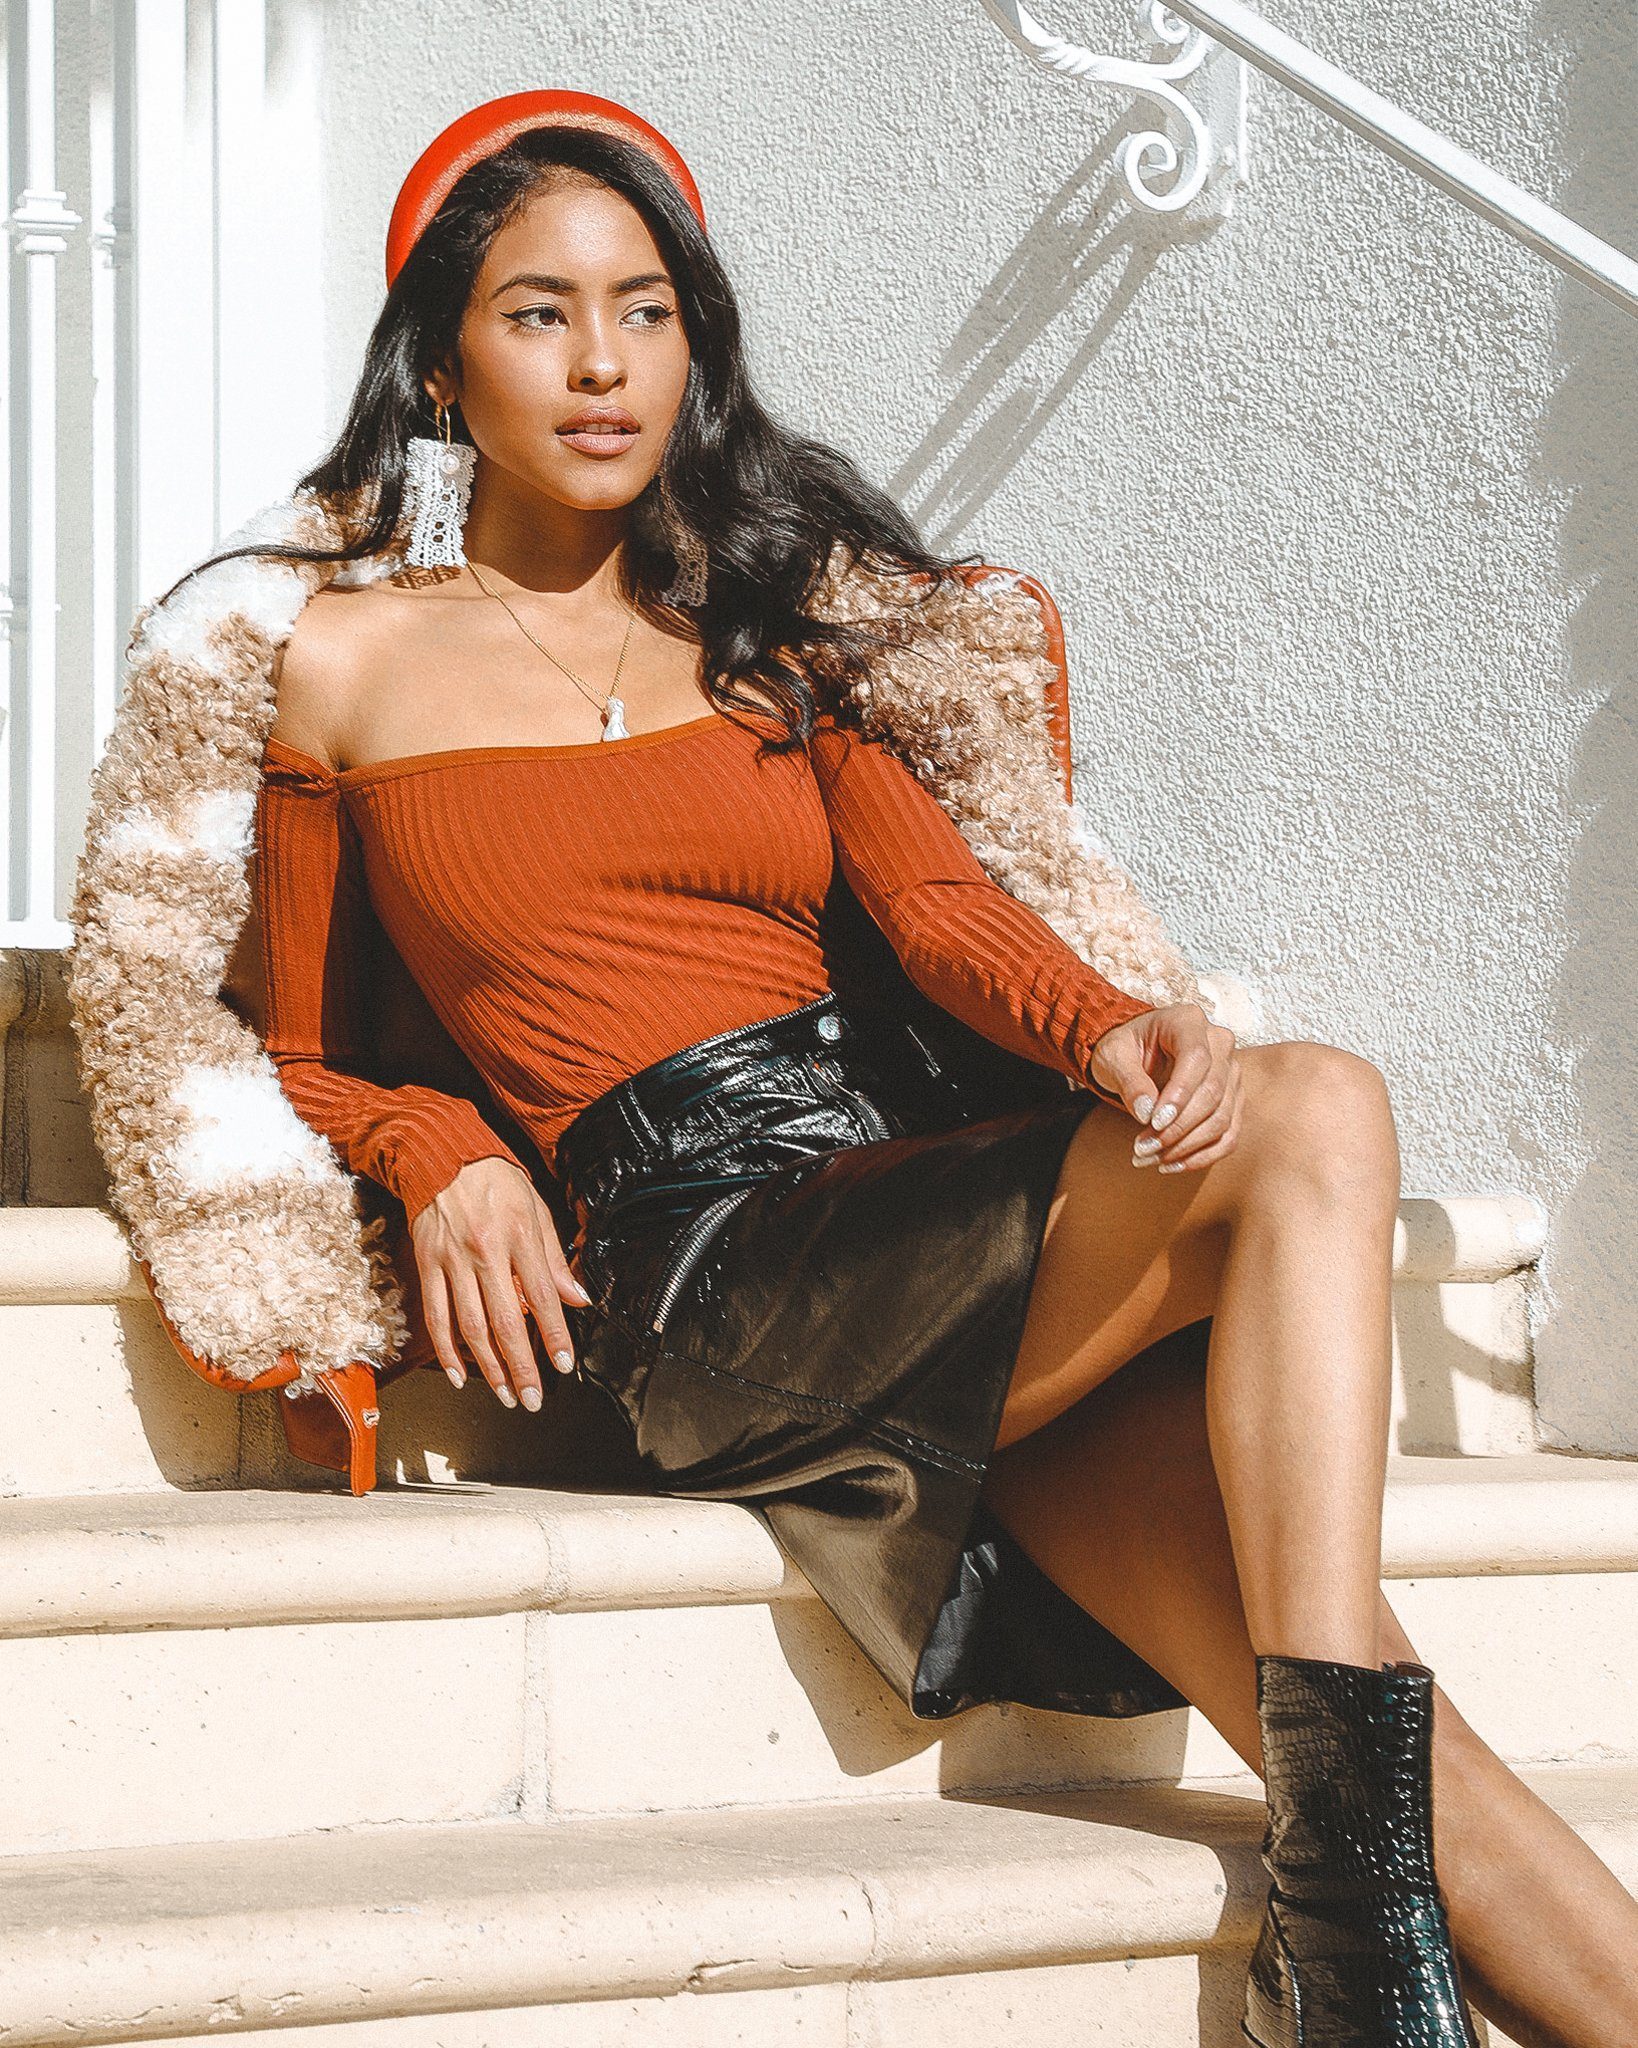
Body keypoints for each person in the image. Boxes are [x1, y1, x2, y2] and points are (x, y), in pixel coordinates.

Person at [151, 91, 1638, 2048]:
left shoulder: (769, 630)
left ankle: (1350, 1960)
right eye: (539, 313)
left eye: (645, 309)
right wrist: (441, 1143)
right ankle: (1345, 1948)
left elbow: (940, 917)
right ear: (441, 363)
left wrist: (1106, 1025)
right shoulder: (336, 666)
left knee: (1365, 1696)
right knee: (1322, 1109)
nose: (602, 362)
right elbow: (291, 1046)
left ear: (695, 346)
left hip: (905, 1210)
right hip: (698, 1266)